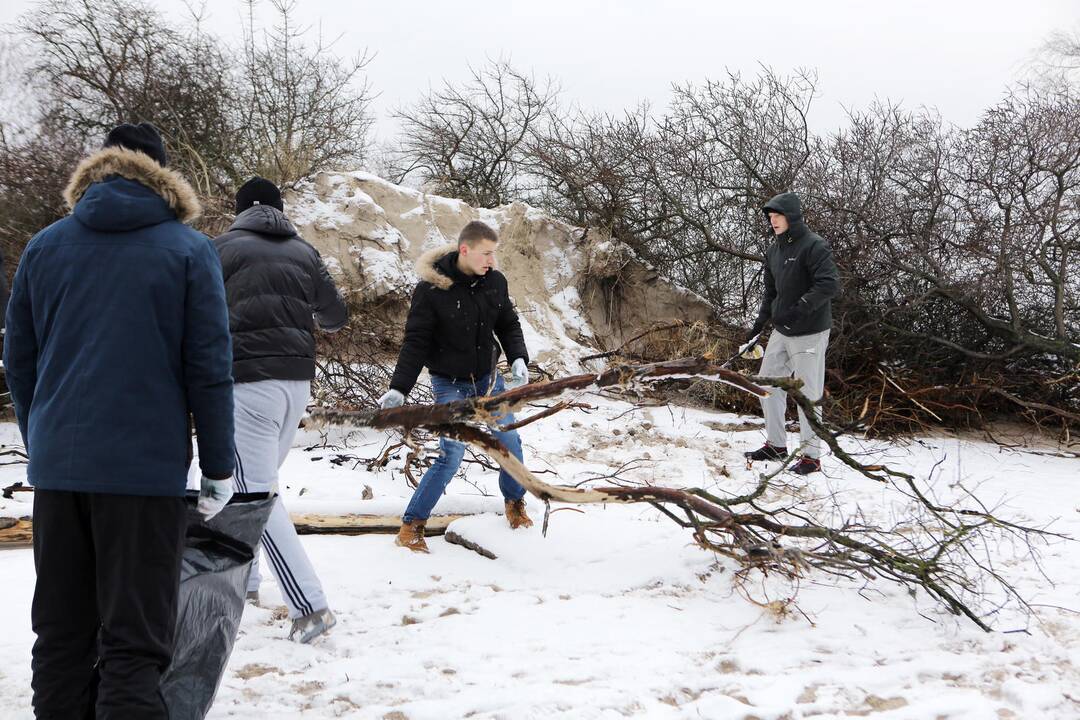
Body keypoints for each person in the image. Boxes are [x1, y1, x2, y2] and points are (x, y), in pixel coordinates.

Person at [5, 122, 235, 718]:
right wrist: (216, 467)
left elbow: (19, 361)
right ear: (164, 179)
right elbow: (208, 368)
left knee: (61, 636)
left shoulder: (45, 245)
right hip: (143, 475)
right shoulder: (188, 250)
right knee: (135, 641)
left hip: (60, 472)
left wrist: (43, 438)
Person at [213, 176, 348, 643]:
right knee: (253, 483)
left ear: (239, 210)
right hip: (296, 382)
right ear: (280, 209)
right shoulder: (305, 252)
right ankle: (247, 582)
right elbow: (335, 316)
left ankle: (310, 608)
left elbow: (196, 314)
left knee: (255, 494)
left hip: (248, 382)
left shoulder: (220, 249)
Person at [379, 220, 533, 553]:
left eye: (494, 253)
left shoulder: (495, 282)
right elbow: (416, 342)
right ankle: (411, 526)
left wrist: (519, 357)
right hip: (449, 384)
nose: (491, 261)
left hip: (489, 380)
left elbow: (508, 324)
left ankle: (514, 503)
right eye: (486, 253)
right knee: (452, 454)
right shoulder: (432, 290)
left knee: (510, 439)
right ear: (465, 250)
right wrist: (399, 388)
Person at [744, 191, 839, 475]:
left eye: (778, 216)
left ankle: (811, 457)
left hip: (810, 332)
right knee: (766, 385)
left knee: (807, 393)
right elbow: (771, 293)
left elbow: (828, 284)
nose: (773, 221)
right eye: (770, 217)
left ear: (792, 216)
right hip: (781, 330)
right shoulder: (774, 250)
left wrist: (799, 309)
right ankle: (776, 445)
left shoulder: (814, 246)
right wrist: (759, 325)